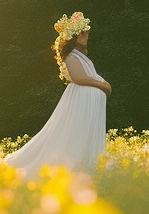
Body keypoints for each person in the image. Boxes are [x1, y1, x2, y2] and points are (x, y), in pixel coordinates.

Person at [6, 12, 111, 179]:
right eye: (83, 32)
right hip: (80, 101)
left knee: (83, 133)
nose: (87, 35)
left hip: (88, 103)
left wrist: (104, 88)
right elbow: (78, 78)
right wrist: (103, 85)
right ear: (74, 37)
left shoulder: (82, 56)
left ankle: (89, 163)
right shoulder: (71, 57)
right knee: (73, 133)